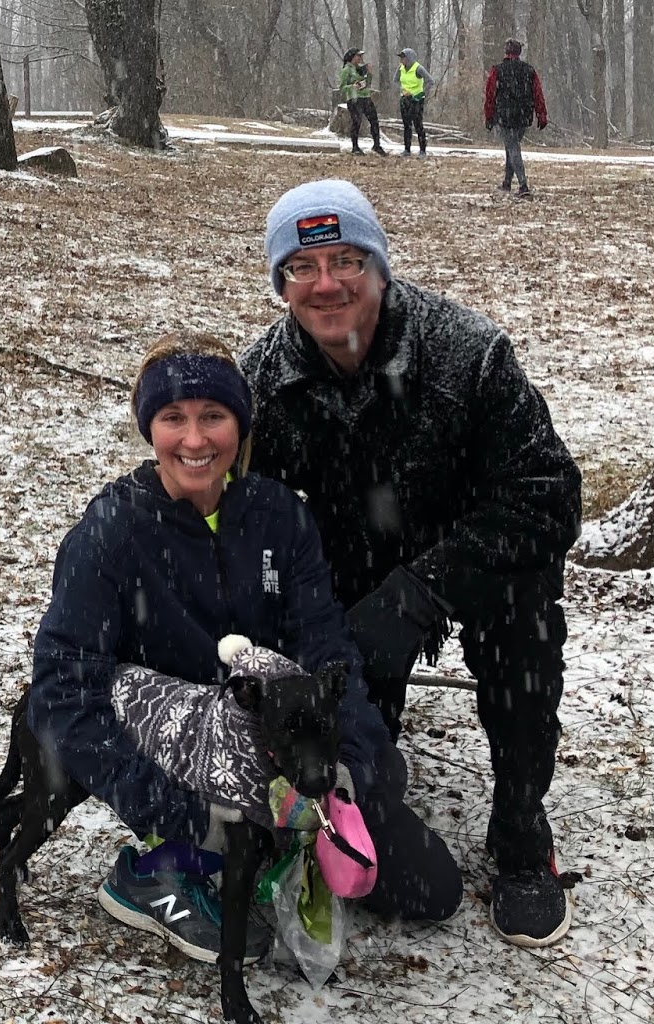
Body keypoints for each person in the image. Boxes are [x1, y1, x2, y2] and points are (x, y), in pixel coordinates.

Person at [28, 331, 461, 968]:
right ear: (149, 428)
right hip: (179, 756)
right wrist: (171, 808)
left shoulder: (278, 515)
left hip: (281, 745)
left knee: (430, 887)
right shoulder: (111, 532)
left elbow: (326, 644)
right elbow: (62, 689)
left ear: (240, 424)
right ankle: (158, 867)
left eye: (213, 416)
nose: (194, 440)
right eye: (172, 417)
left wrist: (353, 763)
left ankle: (266, 839)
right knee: (228, 856)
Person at [241, 180, 582, 948]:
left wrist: (423, 593)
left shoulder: (469, 353)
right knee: (323, 701)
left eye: (347, 260)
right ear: (282, 284)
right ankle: (333, 800)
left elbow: (549, 495)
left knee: (524, 626)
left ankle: (522, 831)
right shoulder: (261, 381)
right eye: (302, 267)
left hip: (474, 562)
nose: (327, 284)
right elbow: (240, 522)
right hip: (348, 579)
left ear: (380, 268)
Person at [484, 38, 548, 197]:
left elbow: (490, 94)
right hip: (524, 115)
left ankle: (523, 185)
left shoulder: (498, 70)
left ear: (506, 52)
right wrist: (541, 114)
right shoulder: (529, 71)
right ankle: (506, 183)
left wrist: (489, 115)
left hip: (505, 115)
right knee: (511, 147)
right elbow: (538, 94)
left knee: (512, 148)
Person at [338, 47, 386, 155]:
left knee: (374, 120)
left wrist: (369, 73)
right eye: (358, 56)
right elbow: (342, 88)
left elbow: (367, 83)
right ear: (352, 57)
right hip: (354, 99)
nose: (360, 58)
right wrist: (352, 87)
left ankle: (377, 145)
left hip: (365, 97)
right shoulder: (346, 70)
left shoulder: (361, 69)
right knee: (356, 122)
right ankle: (355, 147)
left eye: (361, 56)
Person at [395, 47, 430, 156]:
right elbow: (395, 81)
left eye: (403, 58)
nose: (401, 60)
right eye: (401, 58)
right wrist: (401, 89)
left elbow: (430, 81)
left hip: (416, 100)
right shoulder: (400, 68)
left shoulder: (418, 68)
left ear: (409, 58)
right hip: (405, 99)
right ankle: (407, 149)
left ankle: (422, 150)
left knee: (418, 125)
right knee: (406, 125)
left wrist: (422, 94)